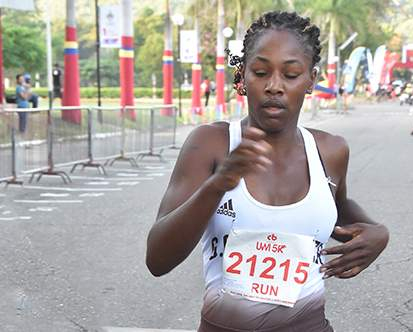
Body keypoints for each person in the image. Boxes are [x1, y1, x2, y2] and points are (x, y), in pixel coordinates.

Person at [146, 11, 389, 332]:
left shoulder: (330, 151)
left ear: (311, 80)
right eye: (261, 72)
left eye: (290, 74)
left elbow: (338, 206)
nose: (274, 86)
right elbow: (158, 260)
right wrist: (218, 185)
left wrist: (378, 233)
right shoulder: (210, 144)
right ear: (243, 76)